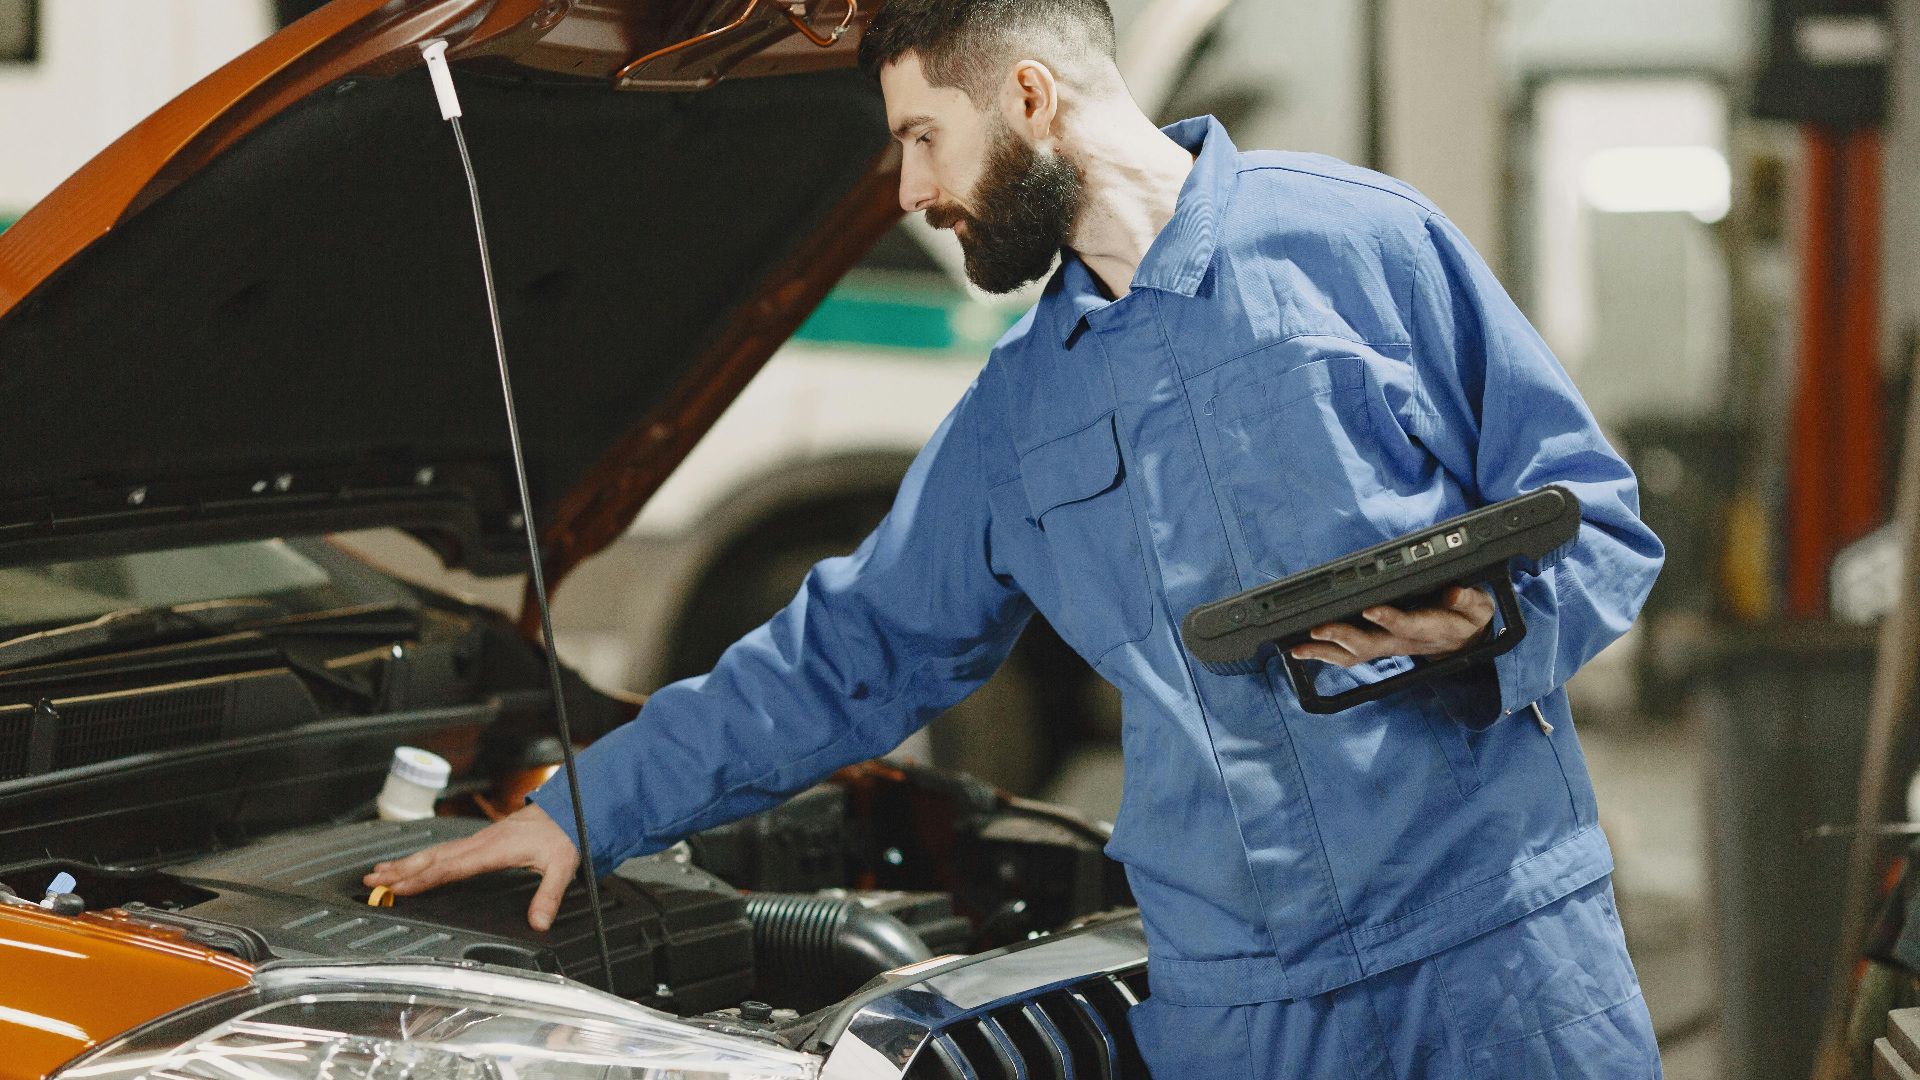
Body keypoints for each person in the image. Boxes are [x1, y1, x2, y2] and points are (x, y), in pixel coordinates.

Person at [366, 1, 1667, 1074]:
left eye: (926, 137)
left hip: (1496, 947)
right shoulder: (1016, 418)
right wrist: (585, 810)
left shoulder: (1362, 245)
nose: (915, 188)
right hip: (1254, 1007)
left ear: (1031, 98)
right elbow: (850, 654)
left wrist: (1490, 622)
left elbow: (1593, 517)